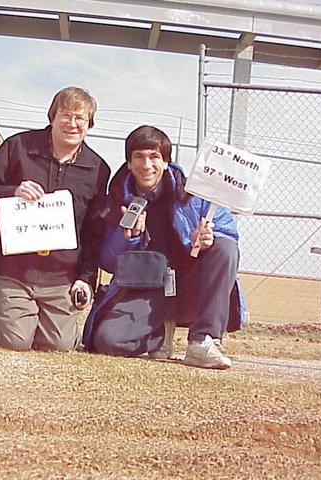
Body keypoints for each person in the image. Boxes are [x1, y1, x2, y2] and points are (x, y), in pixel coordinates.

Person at [82, 125, 245, 369]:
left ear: (166, 161)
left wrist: (206, 239)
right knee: (107, 341)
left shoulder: (194, 194)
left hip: (189, 283)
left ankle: (202, 340)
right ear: (128, 163)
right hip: (146, 287)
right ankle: (158, 334)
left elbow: (228, 234)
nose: (146, 165)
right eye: (138, 156)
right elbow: (106, 261)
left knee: (225, 247)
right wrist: (128, 239)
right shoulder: (114, 202)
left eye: (154, 156)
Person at [0, 86, 110, 351]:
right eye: (66, 115)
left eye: (80, 118)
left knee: (59, 346)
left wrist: (85, 278)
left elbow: (94, 232)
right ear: (52, 117)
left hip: (60, 277)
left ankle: (31, 317)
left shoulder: (97, 169)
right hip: (13, 272)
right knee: (15, 342)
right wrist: (12, 192)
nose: (72, 124)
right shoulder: (18, 147)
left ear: (89, 124)